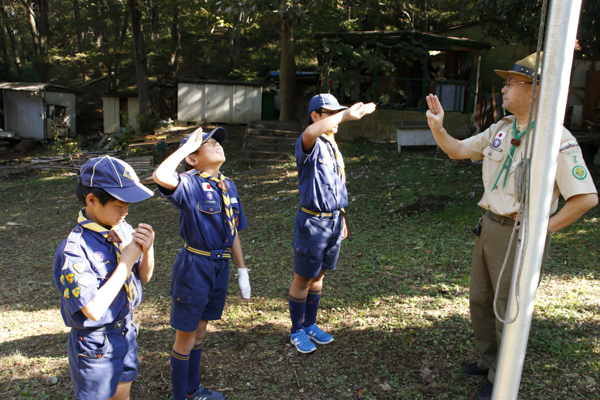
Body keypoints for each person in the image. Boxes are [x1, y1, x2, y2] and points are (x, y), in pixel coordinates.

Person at [425, 52, 598, 400]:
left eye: (511, 82)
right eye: (506, 81)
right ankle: (490, 363)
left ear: (535, 90)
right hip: (488, 226)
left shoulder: (555, 139)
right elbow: (458, 150)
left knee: (507, 307)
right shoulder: (501, 129)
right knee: (481, 300)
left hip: (519, 235)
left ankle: (502, 376)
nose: (504, 88)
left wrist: (543, 229)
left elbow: (586, 197)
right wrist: (438, 128)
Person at [152, 127, 250, 400]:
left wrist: (242, 270)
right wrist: (184, 149)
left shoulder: (228, 184)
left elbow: (233, 231)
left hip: (220, 266)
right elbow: (159, 176)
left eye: (218, 141)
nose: (217, 145)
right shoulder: (188, 182)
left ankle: (192, 390)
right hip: (195, 267)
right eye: (209, 143)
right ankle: (179, 397)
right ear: (193, 159)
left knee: (201, 330)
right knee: (185, 336)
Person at [53, 156, 155, 400]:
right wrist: (126, 261)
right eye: (119, 205)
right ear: (92, 200)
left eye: (128, 206)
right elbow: (93, 311)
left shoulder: (122, 229)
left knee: (122, 393)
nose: (125, 212)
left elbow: (145, 276)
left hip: (125, 332)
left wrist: (147, 249)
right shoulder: (74, 250)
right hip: (95, 345)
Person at [288, 94, 376, 353]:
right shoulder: (310, 143)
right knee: (303, 278)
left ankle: (311, 324)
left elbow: (337, 185)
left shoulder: (331, 145)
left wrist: (342, 217)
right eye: (331, 114)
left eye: (339, 113)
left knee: (319, 275)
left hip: (333, 222)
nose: (337, 118)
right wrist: (348, 114)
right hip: (312, 224)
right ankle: (296, 329)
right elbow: (309, 132)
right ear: (316, 116)